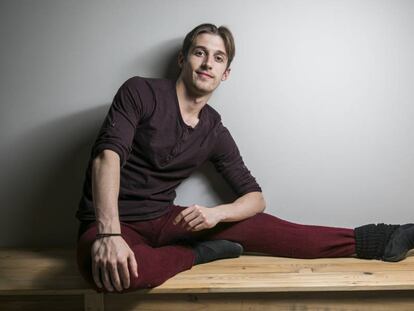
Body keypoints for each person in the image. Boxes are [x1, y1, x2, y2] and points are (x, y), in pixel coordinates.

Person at [76, 23, 414, 293]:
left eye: (218, 58)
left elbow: (256, 198)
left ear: (225, 74)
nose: (208, 62)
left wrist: (216, 215)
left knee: (267, 227)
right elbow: (107, 158)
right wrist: (109, 235)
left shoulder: (214, 130)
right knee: (116, 275)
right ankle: (196, 255)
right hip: (108, 225)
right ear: (183, 60)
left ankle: (378, 239)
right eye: (199, 52)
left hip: (165, 221)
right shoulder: (140, 92)